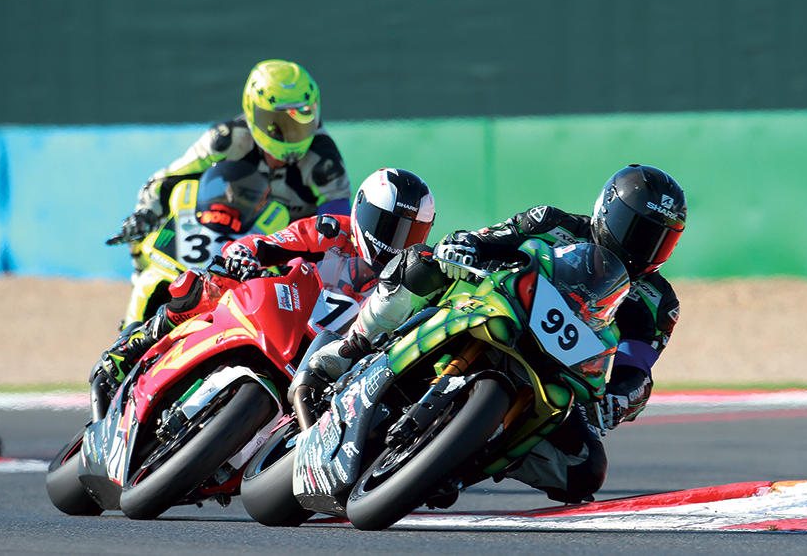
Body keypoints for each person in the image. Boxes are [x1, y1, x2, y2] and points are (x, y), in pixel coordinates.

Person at [307, 164, 687, 504]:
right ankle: (351, 348)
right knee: (420, 263)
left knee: (585, 470)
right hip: (492, 309)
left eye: (659, 238)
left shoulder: (658, 303)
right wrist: (464, 247)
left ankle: (463, 457)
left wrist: (621, 398)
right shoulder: (553, 222)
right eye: (637, 230)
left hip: (555, 369)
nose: (644, 247)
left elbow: (636, 367)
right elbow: (486, 239)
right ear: (608, 211)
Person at [91, 168, 435, 387]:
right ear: (362, 209)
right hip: (283, 312)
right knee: (209, 284)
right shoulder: (331, 230)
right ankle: (134, 346)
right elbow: (269, 243)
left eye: (410, 234)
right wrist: (245, 255)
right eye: (388, 226)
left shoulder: (404, 283)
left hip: (329, 357)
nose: (395, 242)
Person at [116, 59, 353, 276]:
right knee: (143, 238)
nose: (291, 133)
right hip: (221, 240)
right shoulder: (227, 139)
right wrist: (145, 214)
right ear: (253, 112)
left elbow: (336, 227)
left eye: (302, 118)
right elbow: (169, 181)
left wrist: (305, 267)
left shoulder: (325, 161)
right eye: (278, 123)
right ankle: (141, 286)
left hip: (285, 258)